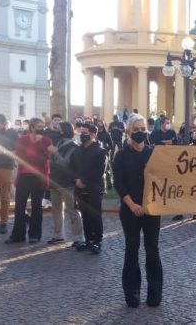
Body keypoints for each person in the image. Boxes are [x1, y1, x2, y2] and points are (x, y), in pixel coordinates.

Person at [113, 114, 162, 308]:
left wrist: (148, 204)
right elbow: (119, 183)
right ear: (129, 132)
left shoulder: (153, 153)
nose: (141, 133)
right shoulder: (121, 155)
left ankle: (155, 292)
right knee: (132, 250)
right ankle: (132, 292)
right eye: (137, 130)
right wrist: (132, 205)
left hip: (151, 209)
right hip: (129, 209)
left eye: (143, 129)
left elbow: (161, 180)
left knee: (153, 250)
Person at [6, 118, 54, 244]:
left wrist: (38, 144)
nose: (41, 129)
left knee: (36, 206)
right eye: (39, 126)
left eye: (43, 126)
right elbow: (20, 156)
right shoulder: (23, 139)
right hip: (24, 176)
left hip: (39, 177)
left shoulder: (46, 140)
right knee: (19, 206)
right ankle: (18, 234)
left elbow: (46, 157)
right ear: (32, 127)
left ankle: (34, 235)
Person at [70, 123, 108, 254]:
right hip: (79, 187)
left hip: (94, 187)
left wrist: (84, 181)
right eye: (81, 132)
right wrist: (76, 180)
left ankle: (97, 241)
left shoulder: (100, 151)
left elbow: (99, 170)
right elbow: (72, 168)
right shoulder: (77, 150)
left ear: (93, 135)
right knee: (85, 215)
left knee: (94, 214)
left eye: (85, 133)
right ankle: (88, 240)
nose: (82, 135)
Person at [47, 122, 83, 246]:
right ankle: (58, 235)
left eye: (59, 129)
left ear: (64, 131)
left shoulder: (73, 146)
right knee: (56, 210)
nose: (56, 131)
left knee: (72, 210)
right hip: (54, 181)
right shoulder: (56, 143)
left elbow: (65, 163)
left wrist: (55, 154)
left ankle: (78, 237)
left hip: (67, 182)